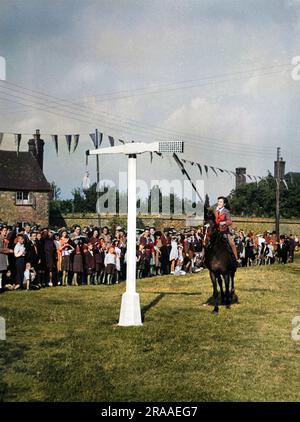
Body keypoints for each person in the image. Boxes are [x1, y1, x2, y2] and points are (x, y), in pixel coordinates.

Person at [215, 196, 239, 261]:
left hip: (224, 231)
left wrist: (223, 223)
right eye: (218, 202)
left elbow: (230, 221)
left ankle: (235, 259)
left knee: (232, 243)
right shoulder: (215, 211)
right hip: (216, 231)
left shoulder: (226, 211)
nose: (219, 203)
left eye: (220, 202)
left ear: (224, 204)